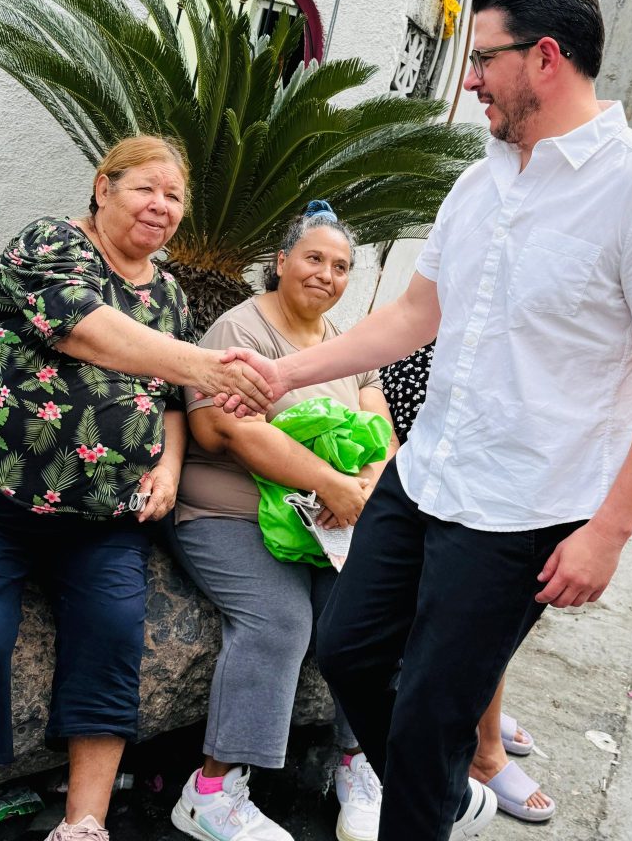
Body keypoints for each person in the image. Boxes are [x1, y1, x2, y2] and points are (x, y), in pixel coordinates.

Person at [220, 0, 632, 840]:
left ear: (546, 57)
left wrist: (608, 533)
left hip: (523, 509)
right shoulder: (481, 179)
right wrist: (285, 374)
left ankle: (429, 800)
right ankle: (443, 795)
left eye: (485, 58)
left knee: (431, 718)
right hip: (425, 475)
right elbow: (417, 315)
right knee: (348, 651)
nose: (472, 79)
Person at [0, 136, 271, 841]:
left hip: (104, 516)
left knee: (111, 632)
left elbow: (168, 401)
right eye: (145, 188)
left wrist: (168, 468)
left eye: (174, 196)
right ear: (103, 187)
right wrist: (209, 367)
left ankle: (84, 824)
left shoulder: (168, 294)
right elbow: (87, 330)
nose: (160, 205)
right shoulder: (49, 245)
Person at [170, 202, 399, 841]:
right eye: (313, 258)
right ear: (281, 262)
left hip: (324, 515)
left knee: (371, 612)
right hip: (231, 511)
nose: (326, 274)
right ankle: (210, 794)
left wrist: (365, 484)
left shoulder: (346, 345)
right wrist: (330, 482)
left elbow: (379, 425)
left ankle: (360, 763)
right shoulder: (239, 330)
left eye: (341, 266)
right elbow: (228, 431)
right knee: (279, 619)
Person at [380, 348, 554, 822]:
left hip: (493, 461)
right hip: (436, 454)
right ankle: (476, 748)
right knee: (465, 624)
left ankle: (480, 736)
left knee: (484, 624)